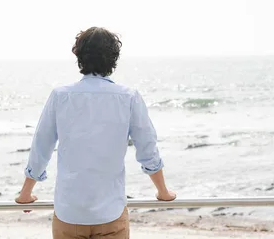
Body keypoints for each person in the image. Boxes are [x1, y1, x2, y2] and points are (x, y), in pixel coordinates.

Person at [15, 27, 175, 238]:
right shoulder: (128, 97)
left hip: (68, 212)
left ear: (79, 56)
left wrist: (26, 192)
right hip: (110, 213)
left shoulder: (61, 96)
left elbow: (41, 146)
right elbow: (147, 147)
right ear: (113, 58)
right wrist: (163, 192)